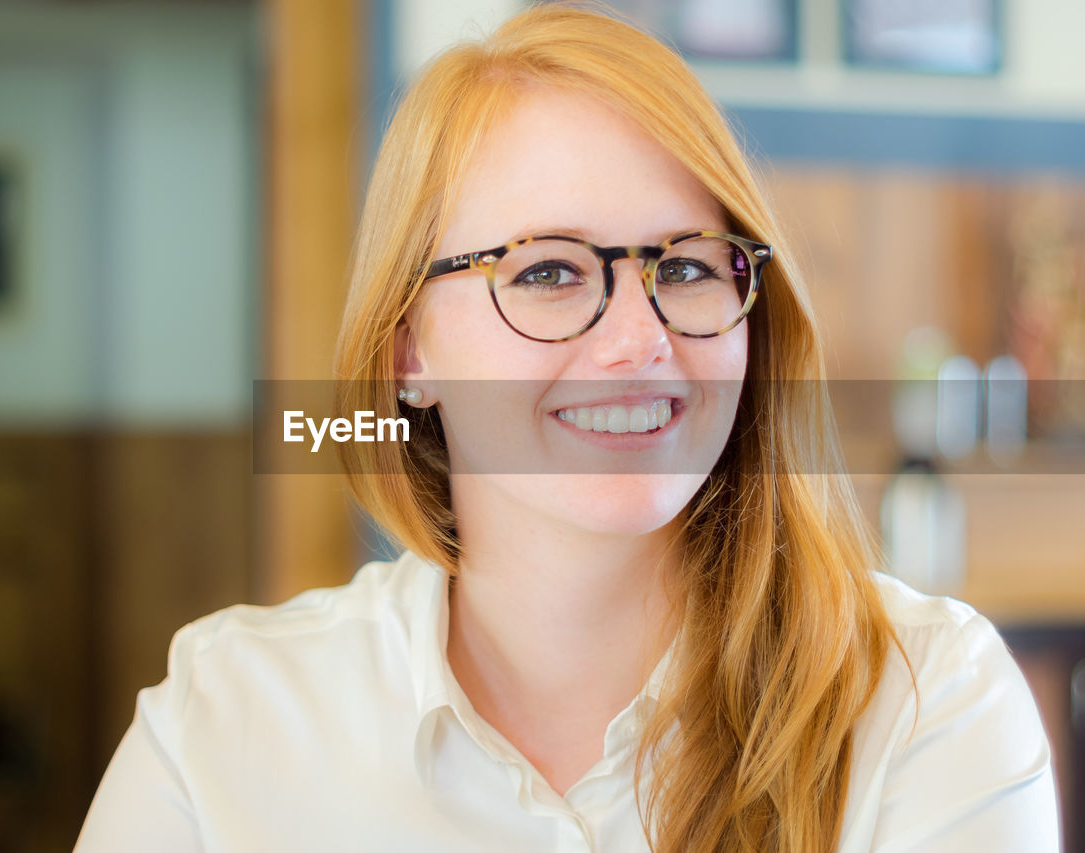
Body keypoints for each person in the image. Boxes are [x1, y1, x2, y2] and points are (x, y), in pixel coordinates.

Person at [75, 3, 1058, 850]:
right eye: (545, 271)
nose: (637, 339)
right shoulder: (223, 725)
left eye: (684, 266)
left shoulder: (927, 699)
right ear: (407, 354)